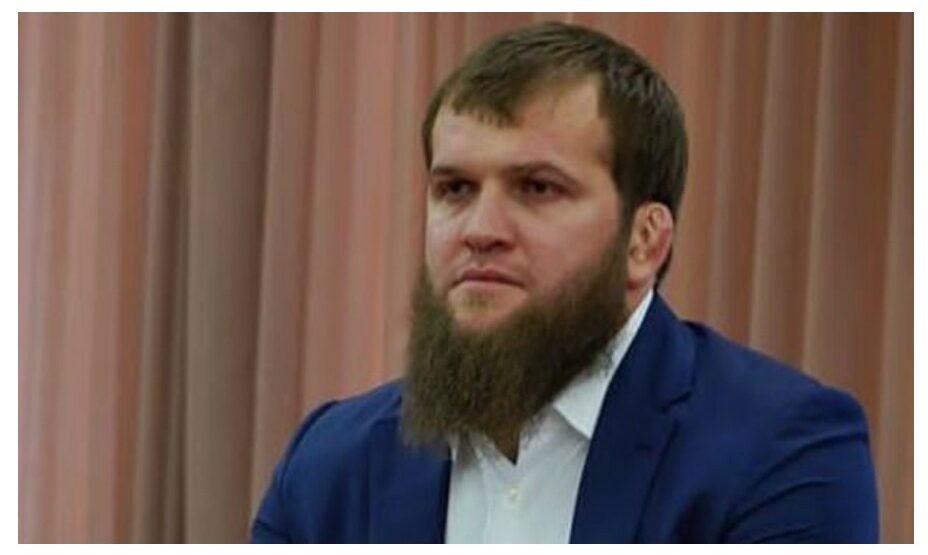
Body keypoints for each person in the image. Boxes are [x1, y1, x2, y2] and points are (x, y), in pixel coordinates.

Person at [250, 21, 879, 543]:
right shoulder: (330, 465)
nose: (480, 230)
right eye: (455, 189)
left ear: (644, 241)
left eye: (537, 188)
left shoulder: (780, 450)